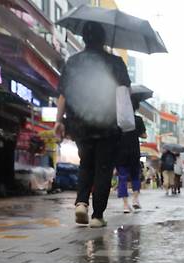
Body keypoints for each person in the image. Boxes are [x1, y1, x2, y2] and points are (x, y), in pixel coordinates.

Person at [54, 22, 131, 228]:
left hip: (80, 124)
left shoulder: (73, 62)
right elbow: (124, 94)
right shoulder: (116, 62)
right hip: (108, 124)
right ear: (103, 39)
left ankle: (81, 202)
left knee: (85, 164)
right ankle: (97, 215)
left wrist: (58, 121)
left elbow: (63, 94)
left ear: (84, 39)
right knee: (103, 169)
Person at [115, 100, 147, 212]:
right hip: (134, 152)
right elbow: (144, 135)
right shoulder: (138, 120)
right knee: (135, 176)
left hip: (120, 153)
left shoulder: (118, 120)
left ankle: (125, 205)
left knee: (122, 178)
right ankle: (135, 200)